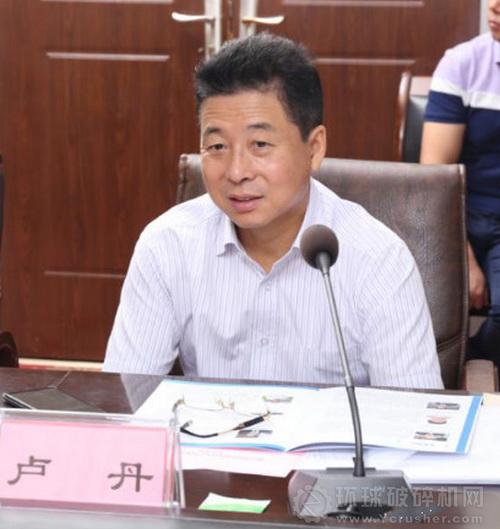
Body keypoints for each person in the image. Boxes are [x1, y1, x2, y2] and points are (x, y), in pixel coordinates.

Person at [104, 33, 442, 388]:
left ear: (314, 148)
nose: (237, 172)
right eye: (216, 146)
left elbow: (413, 413)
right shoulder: (167, 244)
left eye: (260, 144)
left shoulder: (378, 259)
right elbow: (126, 398)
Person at [420, 0, 500, 364]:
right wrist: (463, 256)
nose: (494, 6)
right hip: (459, 217)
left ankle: (471, 371)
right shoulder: (462, 63)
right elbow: (435, 176)